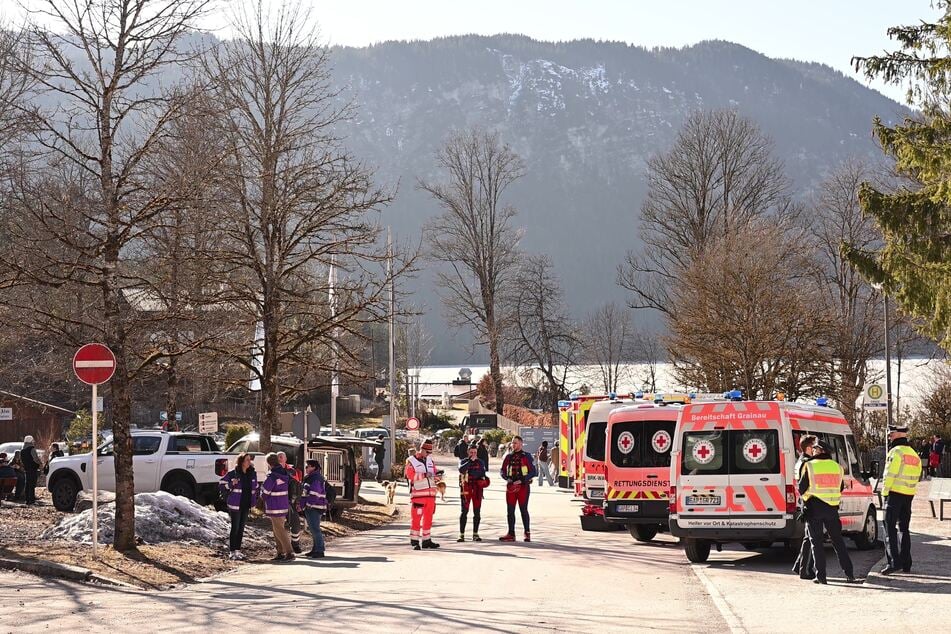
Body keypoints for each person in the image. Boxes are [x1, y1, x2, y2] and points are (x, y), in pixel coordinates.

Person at [799, 440, 856, 584]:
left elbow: (801, 488)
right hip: (832, 508)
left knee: (816, 543)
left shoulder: (809, 465)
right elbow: (840, 487)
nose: (812, 451)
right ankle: (849, 574)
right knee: (838, 542)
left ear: (819, 450)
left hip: (814, 508)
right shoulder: (837, 467)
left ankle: (821, 577)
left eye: (815, 449)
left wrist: (805, 502)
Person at [880, 425, 922, 575]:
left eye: (891, 434)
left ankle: (893, 562)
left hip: (894, 494)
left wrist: (885, 493)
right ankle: (906, 563)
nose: (889, 436)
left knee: (889, 528)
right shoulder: (913, 453)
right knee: (904, 529)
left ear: (898, 434)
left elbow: (889, 474)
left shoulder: (895, 452)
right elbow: (918, 475)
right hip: (908, 495)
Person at [219, 452, 258, 560]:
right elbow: (221, 484)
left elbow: (255, 488)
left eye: (250, 460)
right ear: (241, 462)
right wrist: (231, 484)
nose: (249, 462)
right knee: (235, 528)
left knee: (241, 528)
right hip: (235, 505)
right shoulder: (233, 473)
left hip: (246, 505)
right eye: (247, 460)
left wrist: (254, 501)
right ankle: (232, 552)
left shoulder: (252, 473)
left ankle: (238, 550)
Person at [404, 438, 441, 550]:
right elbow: (410, 475)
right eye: (427, 452)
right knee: (416, 519)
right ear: (422, 449)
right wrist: (425, 475)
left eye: (430, 452)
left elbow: (434, 473)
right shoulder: (411, 461)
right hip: (418, 496)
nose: (429, 454)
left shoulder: (430, 461)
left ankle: (426, 540)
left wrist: (437, 476)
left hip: (430, 496)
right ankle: (414, 541)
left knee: (428, 519)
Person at [499, 435, 537, 542]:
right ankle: (511, 533)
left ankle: (527, 532)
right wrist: (507, 479)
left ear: (521, 444)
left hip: (523, 487)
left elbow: (533, 472)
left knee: (523, 509)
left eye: (515, 443)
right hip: (511, 487)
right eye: (512, 443)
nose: (513, 445)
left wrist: (522, 480)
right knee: (510, 510)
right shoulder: (508, 457)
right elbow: (502, 470)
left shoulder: (527, 456)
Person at [261, 452, 295, 562]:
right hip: (283, 505)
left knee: (279, 530)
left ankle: (289, 552)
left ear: (269, 463)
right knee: (277, 530)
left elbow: (266, 491)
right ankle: (280, 552)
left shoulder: (272, 476)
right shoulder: (284, 473)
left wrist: (261, 496)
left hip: (274, 506)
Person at [792, 434, 817, 580]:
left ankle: (799, 566)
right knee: (811, 539)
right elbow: (804, 486)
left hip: (806, 502)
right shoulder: (807, 463)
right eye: (814, 447)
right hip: (810, 503)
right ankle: (805, 570)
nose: (815, 449)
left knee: (808, 537)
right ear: (808, 448)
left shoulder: (800, 461)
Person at [458, 443, 490, 542]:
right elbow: (461, 469)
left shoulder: (481, 462)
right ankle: (461, 534)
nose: (473, 454)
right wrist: (470, 462)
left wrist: (484, 481)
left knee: (477, 512)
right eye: (471, 452)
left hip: (477, 490)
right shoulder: (463, 461)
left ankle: (475, 534)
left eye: (475, 452)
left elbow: (481, 473)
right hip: (466, 489)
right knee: (464, 511)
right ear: (468, 452)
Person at [277, 451, 303, 554]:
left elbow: (297, 487)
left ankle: (295, 544)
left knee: (296, 523)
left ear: (285, 459)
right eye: (278, 457)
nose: (279, 459)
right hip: (278, 501)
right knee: (279, 527)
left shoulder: (292, 471)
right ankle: (282, 549)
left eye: (281, 457)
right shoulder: (274, 470)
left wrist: (297, 501)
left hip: (290, 501)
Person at [301, 459, 328, 558]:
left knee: (315, 529)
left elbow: (314, 493)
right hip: (312, 506)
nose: (306, 468)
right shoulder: (311, 478)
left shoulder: (315, 478)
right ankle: (315, 549)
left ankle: (320, 550)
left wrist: (308, 504)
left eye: (307, 466)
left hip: (314, 507)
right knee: (313, 529)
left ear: (313, 467)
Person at [20, 435, 41, 505]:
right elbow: (36, 459)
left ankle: (27, 500)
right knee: (32, 485)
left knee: (27, 484)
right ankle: (32, 500)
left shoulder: (22, 450)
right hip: (33, 468)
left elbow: (22, 461)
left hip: (26, 469)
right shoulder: (32, 449)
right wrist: (40, 463)